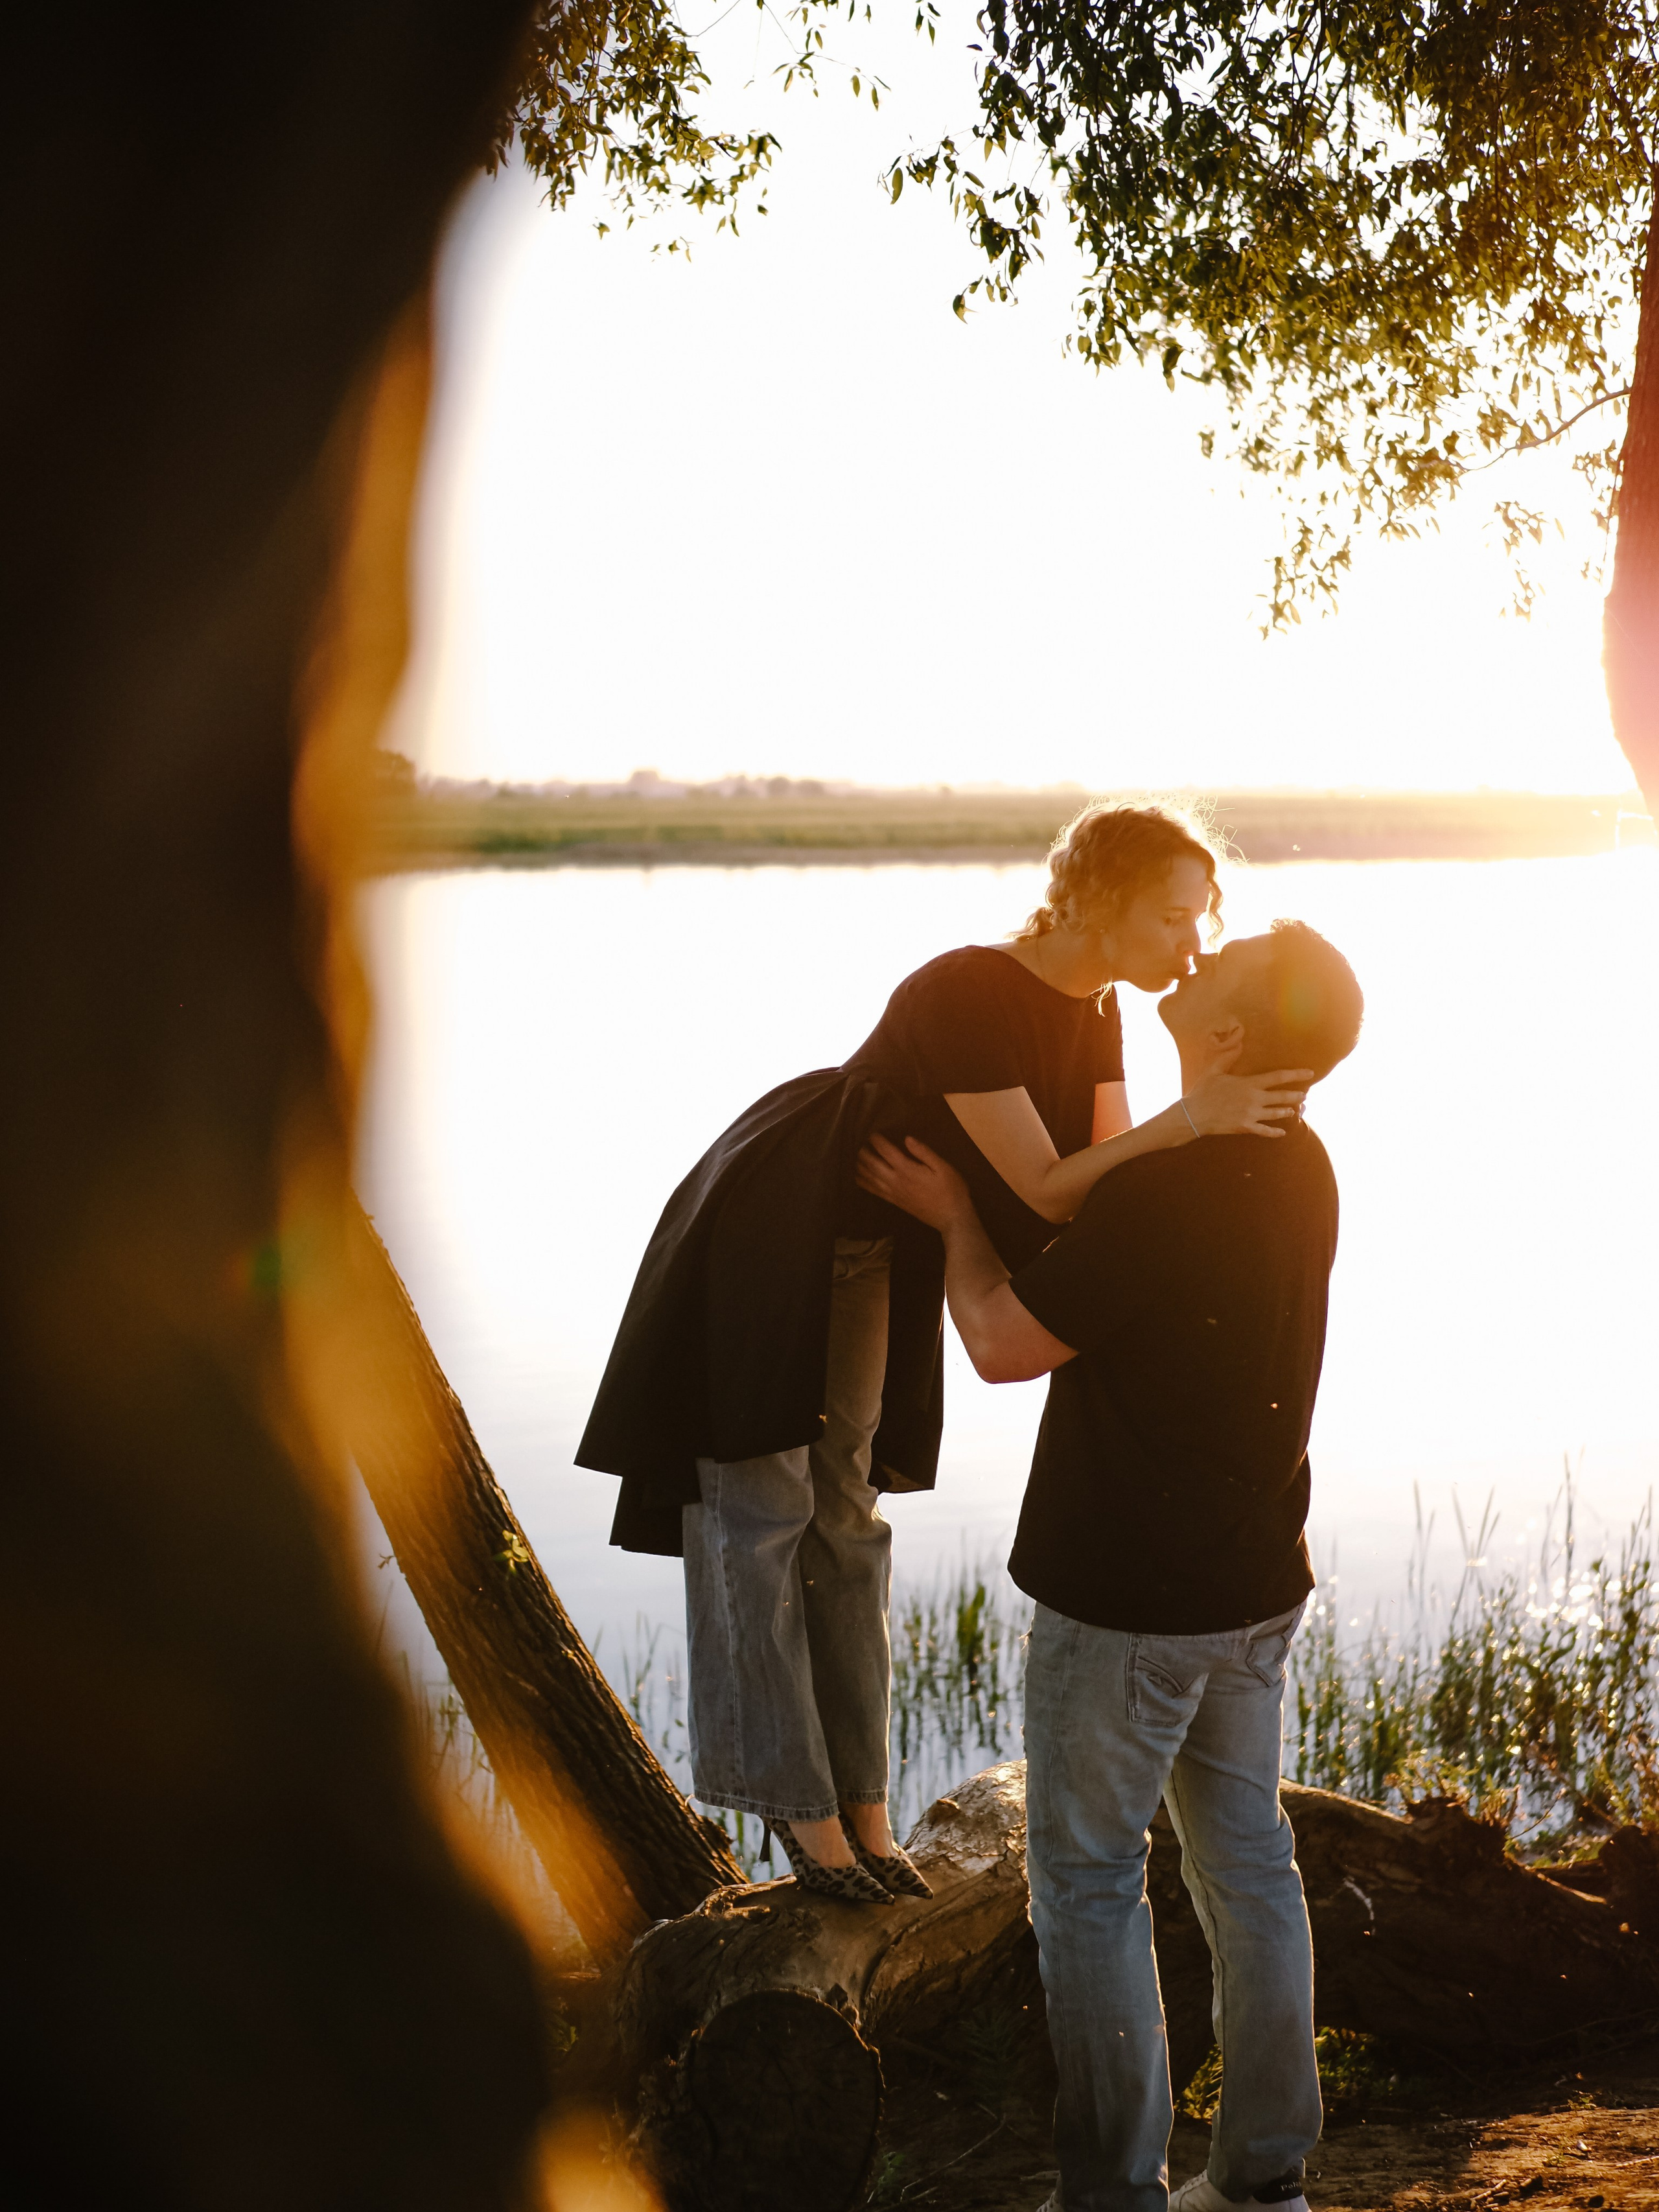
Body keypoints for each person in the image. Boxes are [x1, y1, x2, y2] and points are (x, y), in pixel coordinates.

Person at [577, 805, 1312, 1903]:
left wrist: (1190, 1171)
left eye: (1202, 921)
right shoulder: (967, 990)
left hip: (879, 1252)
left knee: (848, 1512)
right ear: (1102, 901)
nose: (1193, 946)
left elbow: (1094, 1186)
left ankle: (869, 1822)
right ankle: (804, 1819)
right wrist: (1195, 1118)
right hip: (783, 1227)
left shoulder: (1100, 1009)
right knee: (764, 1511)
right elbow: (1049, 1185)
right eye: (1174, 917)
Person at [857, 919, 1364, 2211]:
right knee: (1244, 1863)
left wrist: (958, 1212)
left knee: (1083, 1885)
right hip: (1251, 1581)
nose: (1187, 964)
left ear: (1234, 1037)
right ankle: (1261, 2179)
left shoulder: (1163, 1192)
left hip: (1128, 1598)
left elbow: (999, 1342)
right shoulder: (1300, 1162)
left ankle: (1110, 2194)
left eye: (1218, 964)